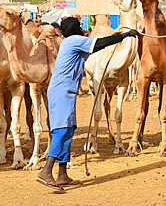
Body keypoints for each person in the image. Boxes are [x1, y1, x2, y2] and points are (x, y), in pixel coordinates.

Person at [36, 17, 140, 191]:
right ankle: (46, 170)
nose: (82, 28)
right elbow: (100, 44)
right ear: (74, 28)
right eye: (79, 26)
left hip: (65, 90)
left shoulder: (70, 42)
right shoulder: (74, 41)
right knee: (62, 130)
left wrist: (116, 36)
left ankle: (62, 174)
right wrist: (124, 36)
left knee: (69, 129)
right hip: (63, 91)